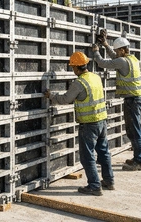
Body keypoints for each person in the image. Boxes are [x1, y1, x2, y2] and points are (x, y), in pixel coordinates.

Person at [45, 51, 114, 196]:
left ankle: (94, 186)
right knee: (103, 152)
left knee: (87, 156)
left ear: (76, 67)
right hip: (102, 120)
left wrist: (51, 96)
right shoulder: (96, 77)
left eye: (72, 67)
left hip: (89, 125)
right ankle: (109, 180)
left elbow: (65, 99)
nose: (72, 70)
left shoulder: (79, 82)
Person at [92, 36, 141, 171]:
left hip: (132, 100)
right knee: (135, 130)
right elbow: (115, 59)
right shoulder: (132, 59)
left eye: (117, 51)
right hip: (135, 99)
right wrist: (105, 44)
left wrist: (95, 51)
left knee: (135, 131)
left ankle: (139, 160)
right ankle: (140, 157)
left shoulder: (122, 61)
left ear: (122, 50)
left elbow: (103, 63)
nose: (116, 52)